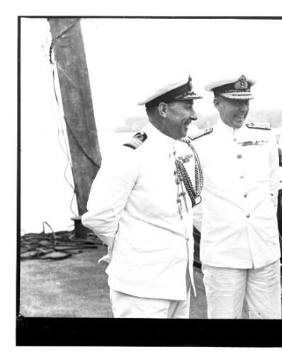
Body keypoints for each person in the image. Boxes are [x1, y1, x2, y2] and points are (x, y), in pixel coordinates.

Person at [82, 76, 203, 318]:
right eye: (187, 106)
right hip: (141, 290)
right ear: (164, 109)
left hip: (179, 285)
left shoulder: (180, 147)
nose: (195, 115)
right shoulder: (131, 154)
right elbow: (98, 217)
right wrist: (124, 250)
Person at [191, 74, 281, 319]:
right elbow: (195, 204)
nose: (243, 109)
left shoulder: (266, 138)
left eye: (246, 102)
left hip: (264, 250)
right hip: (223, 253)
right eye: (235, 102)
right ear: (217, 103)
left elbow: (272, 190)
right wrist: (221, 226)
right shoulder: (198, 145)